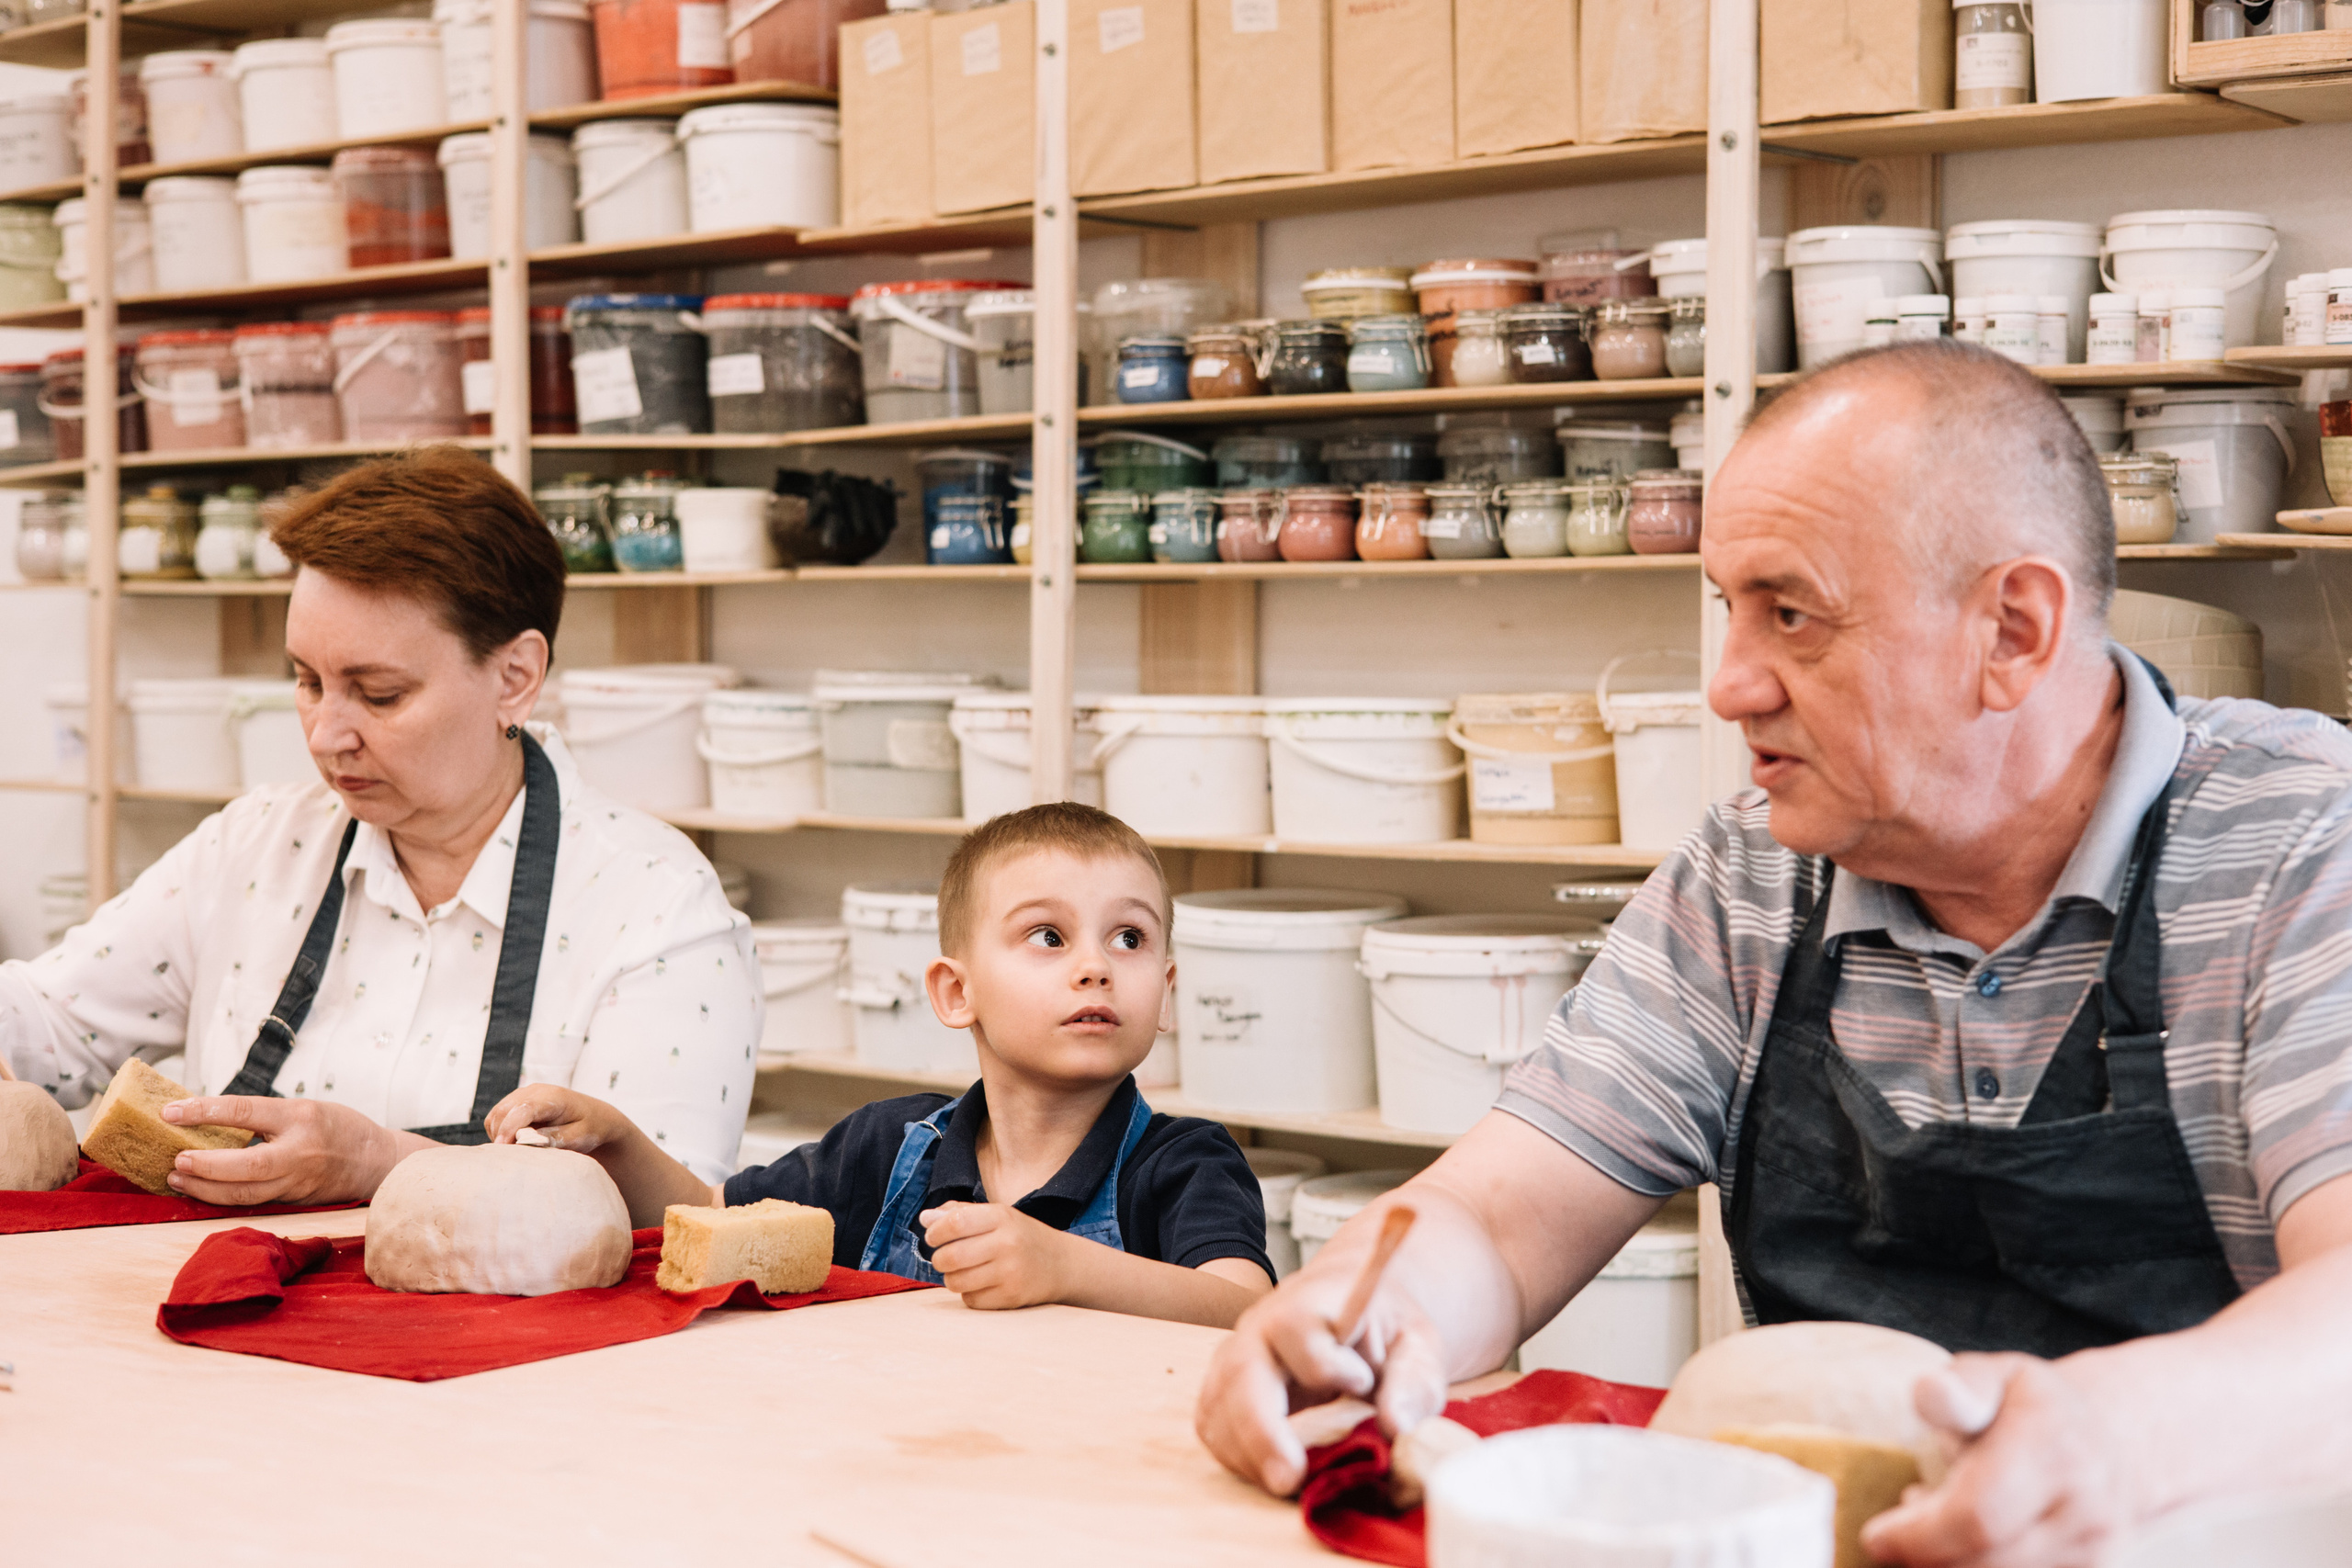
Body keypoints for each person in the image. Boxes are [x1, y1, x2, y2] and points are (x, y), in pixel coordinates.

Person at [1193, 342, 2352, 1566]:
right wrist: (1361, 1314)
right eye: (1729, 609)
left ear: (2012, 630)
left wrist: (2120, 1441)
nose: (1729, 685)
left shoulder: (2302, 844)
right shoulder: (1754, 874)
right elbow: (1496, 1216)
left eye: (1790, 614)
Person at [0, 449, 761, 1201]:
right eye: (307, 680)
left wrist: (375, 1160)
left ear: (515, 677)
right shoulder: (255, 847)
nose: (326, 734)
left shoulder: (658, 911)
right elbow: (46, 1026)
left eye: (379, 694)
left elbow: (670, 1219)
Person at [488, 802, 1276, 1327]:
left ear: (1166, 992)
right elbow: (708, 1215)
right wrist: (616, 1140)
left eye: (1130, 938)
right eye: (1049, 936)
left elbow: (1247, 1311)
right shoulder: (887, 1146)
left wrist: (1065, 1267)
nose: (1096, 967)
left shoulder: (1185, 1161)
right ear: (956, 992)